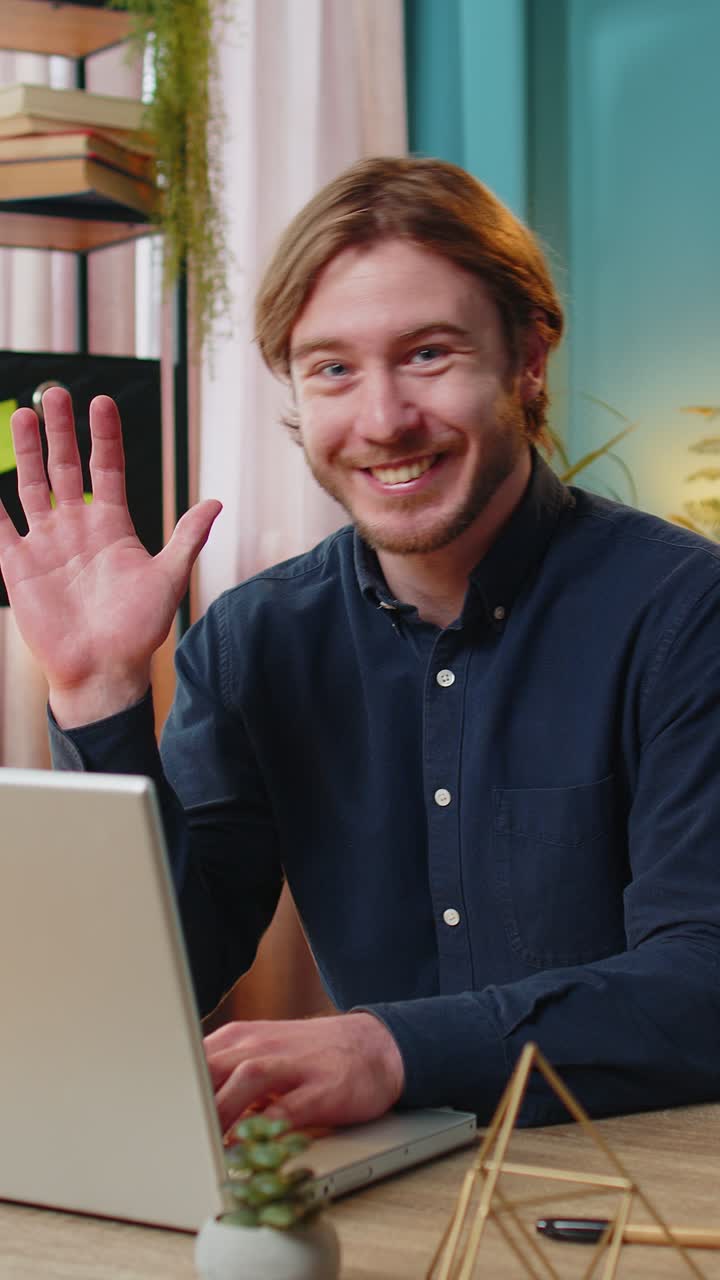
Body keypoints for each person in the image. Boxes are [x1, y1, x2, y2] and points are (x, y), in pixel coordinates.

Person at [2, 156, 720, 1135]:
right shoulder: (253, 641)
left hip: (654, 1187)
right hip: (383, 1190)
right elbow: (170, 969)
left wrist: (392, 1046)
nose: (382, 420)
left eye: (429, 353)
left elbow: (703, 984)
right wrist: (97, 695)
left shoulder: (686, 614)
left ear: (529, 358)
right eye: (333, 367)